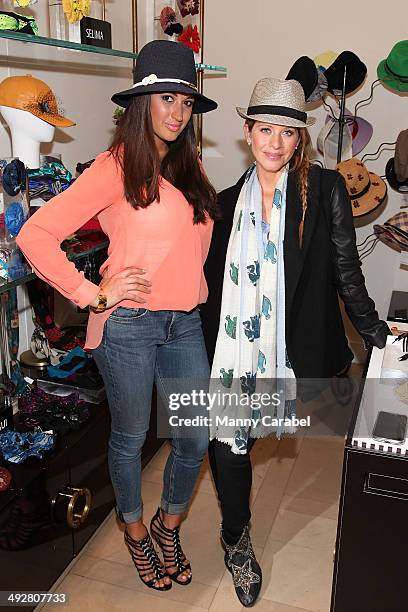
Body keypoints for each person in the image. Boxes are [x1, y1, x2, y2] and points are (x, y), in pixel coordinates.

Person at [17, 40, 219, 592]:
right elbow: (34, 234)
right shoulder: (115, 167)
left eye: (186, 101)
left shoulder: (188, 164)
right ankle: (134, 533)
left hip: (184, 322)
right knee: (130, 437)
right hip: (128, 324)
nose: (178, 112)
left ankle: (167, 525)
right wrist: (92, 294)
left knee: (195, 437)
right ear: (141, 102)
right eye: (166, 98)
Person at [200, 77, 390, 607]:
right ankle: (236, 538)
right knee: (227, 441)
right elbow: (206, 285)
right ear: (247, 132)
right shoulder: (223, 204)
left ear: (300, 137)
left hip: (287, 345)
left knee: (252, 434)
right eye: (266, 130)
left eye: (287, 132)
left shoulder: (324, 190)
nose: (276, 142)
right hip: (233, 347)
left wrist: (374, 330)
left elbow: (346, 270)